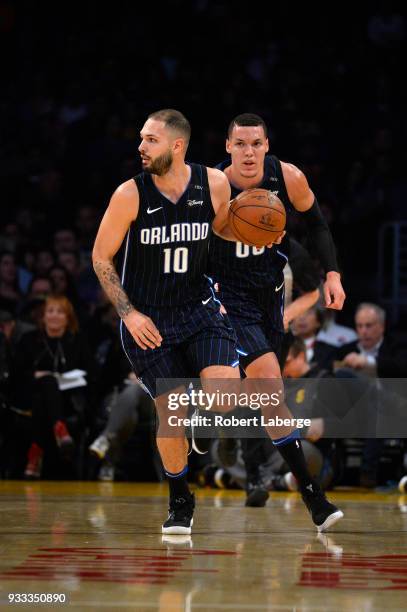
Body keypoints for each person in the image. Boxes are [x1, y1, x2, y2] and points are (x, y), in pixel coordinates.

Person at [92, 109, 243, 535]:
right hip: (148, 319)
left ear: (177, 146)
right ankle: (180, 498)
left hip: (198, 309)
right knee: (170, 413)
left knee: (225, 399)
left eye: (151, 140)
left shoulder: (213, 184)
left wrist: (259, 230)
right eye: (141, 138)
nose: (141, 147)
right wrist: (128, 312)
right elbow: (101, 258)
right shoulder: (129, 194)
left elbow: (224, 232)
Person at [209, 113, 345, 529]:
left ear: (267, 145)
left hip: (270, 298)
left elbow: (318, 224)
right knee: (268, 389)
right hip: (229, 299)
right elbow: (193, 245)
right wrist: (204, 295)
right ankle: (313, 496)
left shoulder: (287, 178)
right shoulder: (211, 185)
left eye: (256, 144)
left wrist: (334, 274)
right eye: (240, 144)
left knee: (268, 401)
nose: (248, 152)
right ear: (228, 147)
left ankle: (217, 418)